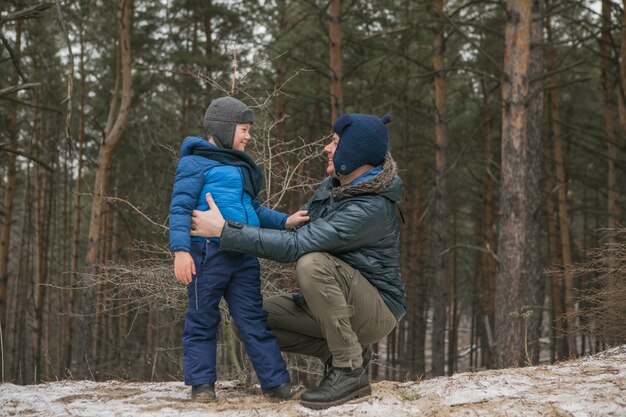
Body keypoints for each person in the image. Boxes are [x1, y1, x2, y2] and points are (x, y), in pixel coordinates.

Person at [190, 112, 406, 409]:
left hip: (377, 309)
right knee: (250, 320)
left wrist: (224, 231)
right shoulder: (334, 189)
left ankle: (349, 370)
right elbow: (298, 228)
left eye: (334, 142)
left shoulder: (370, 207)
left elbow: (298, 246)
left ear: (354, 153)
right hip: (340, 298)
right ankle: (343, 352)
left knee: (311, 263)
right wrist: (238, 217)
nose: (326, 149)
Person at [169, 97, 309, 402]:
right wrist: (180, 251)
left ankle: (276, 384)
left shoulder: (239, 166)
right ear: (224, 128)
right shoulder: (194, 162)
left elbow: (253, 209)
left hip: (243, 256)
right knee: (202, 319)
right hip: (205, 256)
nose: (248, 136)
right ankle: (202, 386)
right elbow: (179, 208)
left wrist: (285, 220)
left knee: (253, 320)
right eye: (243, 129)